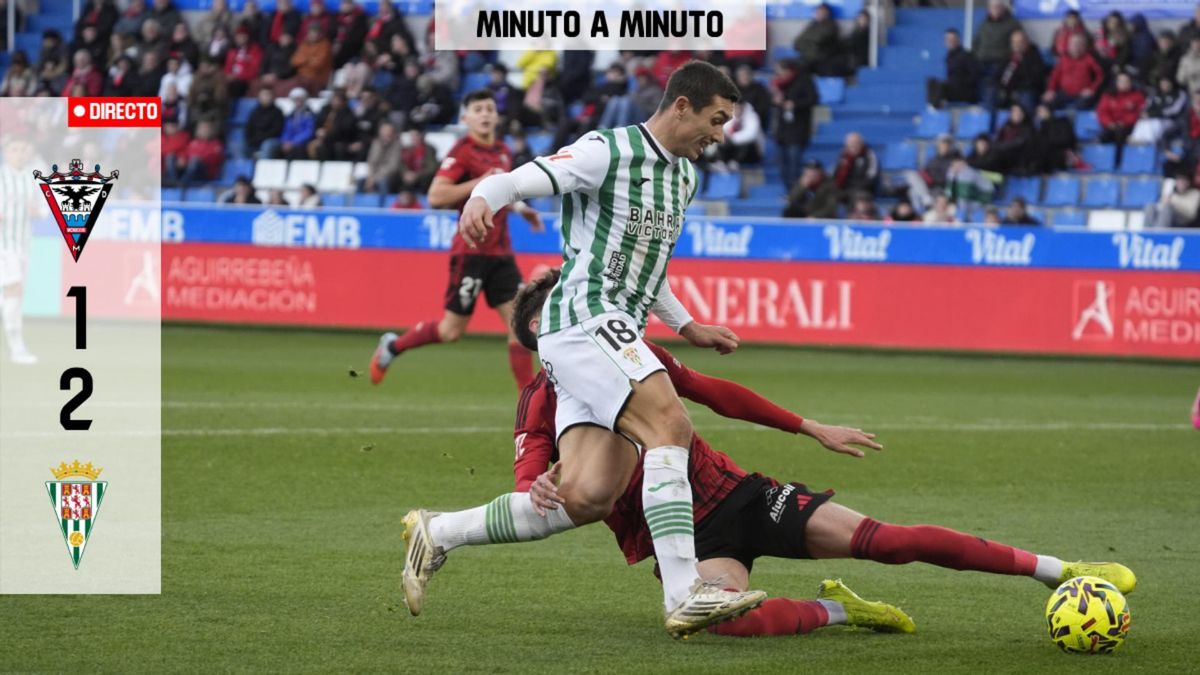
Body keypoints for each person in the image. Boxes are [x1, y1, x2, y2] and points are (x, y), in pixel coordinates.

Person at [401, 269, 1139, 638]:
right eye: (547, 319)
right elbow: (531, 472)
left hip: (739, 497)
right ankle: (841, 612)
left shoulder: (624, 353)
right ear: (538, 340)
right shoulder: (541, 400)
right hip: (683, 545)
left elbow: (717, 392)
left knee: (890, 540)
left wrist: (810, 427)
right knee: (723, 626)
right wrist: (540, 489)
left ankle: (1061, 569)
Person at [417, 61, 767, 639]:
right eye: (716, 119)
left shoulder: (682, 178)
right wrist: (484, 195)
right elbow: (521, 178)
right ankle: (685, 593)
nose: (719, 134)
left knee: (588, 494)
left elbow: (649, 270)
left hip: (614, 330)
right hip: (584, 319)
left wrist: (686, 326)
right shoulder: (607, 150)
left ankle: (441, 531)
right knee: (670, 427)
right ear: (682, 105)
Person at [368, 89, 545, 391]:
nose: (486, 114)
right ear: (465, 118)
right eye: (478, 109)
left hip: (501, 254)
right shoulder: (461, 152)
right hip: (471, 252)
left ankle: (528, 406)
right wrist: (479, 182)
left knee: (521, 327)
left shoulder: (503, 150)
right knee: (451, 331)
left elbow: (499, 191)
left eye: (490, 108)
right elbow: (436, 196)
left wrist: (520, 207)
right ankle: (393, 346)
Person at [0, 139, 40, 364]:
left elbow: (43, 208)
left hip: (24, 244)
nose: (20, 154)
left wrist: (39, 212)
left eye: (23, 149)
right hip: (3, 245)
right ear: (6, 153)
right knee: (13, 290)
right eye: (15, 150)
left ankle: (16, 346)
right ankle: (17, 348)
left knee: (14, 293)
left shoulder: (32, 179)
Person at [771, 59, 817, 191]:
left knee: (794, 164)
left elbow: (813, 99)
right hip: (782, 130)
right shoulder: (777, 84)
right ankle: (788, 191)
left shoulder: (804, 81)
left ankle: (796, 192)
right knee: (782, 164)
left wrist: (795, 104)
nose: (779, 74)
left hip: (798, 129)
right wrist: (775, 101)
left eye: (781, 71)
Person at [972, 0, 1023, 96]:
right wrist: (976, 56)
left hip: (1000, 61)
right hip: (981, 60)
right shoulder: (983, 24)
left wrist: (1007, 56)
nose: (995, 10)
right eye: (992, 7)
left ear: (1003, 8)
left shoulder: (1012, 24)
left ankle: (992, 103)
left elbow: (1019, 43)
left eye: (997, 7)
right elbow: (975, 42)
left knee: (992, 82)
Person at [1043, 33, 1104, 110]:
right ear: (1069, 46)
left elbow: (1100, 75)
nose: (1076, 47)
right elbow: (1055, 76)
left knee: (1084, 104)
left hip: (1082, 95)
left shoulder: (1089, 59)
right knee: (1046, 102)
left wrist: (1092, 89)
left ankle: (1071, 114)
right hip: (1064, 93)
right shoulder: (1063, 59)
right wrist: (1050, 90)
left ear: (1084, 47)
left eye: (1080, 44)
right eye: (1074, 44)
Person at [1097, 71, 1146, 164]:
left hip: (1130, 127)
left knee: (1119, 134)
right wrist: (1109, 123)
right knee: (1103, 136)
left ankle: (1118, 162)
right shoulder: (1108, 95)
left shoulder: (1137, 96)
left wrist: (1125, 122)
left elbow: (1139, 113)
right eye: (1120, 81)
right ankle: (1104, 164)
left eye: (1126, 81)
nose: (1123, 84)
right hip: (1112, 125)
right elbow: (1102, 111)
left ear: (1131, 83)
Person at [989, 30, 1044, 115]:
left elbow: (1035, 78)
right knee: (991, 96)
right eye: (1014, 42)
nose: (1016, 45)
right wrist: (1000, 87)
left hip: (1024, 90)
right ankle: (992, 126)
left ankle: (1027, 126)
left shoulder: (1034, 56)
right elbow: (997, 75)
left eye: (1020, 42)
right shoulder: (1007, 56)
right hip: (1007, 90)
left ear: (1026, 43)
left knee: (1026, 98)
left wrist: (1021, 60)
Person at [906, 133, 962, 211]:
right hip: (929, 186)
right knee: (911, 180)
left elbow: (949, 178)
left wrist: (932, 178)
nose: (944, 146)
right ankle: (922, 209)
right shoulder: (933, 159)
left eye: (946, 144)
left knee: (914, 191)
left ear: (950, 146)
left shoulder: (955, 160)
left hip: (941, 189)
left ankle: (926, 201)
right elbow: (925, 172)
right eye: (942, 143)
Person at [928, 28, 978, 108]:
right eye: (947, 39)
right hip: (953, 88)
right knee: (931, 82)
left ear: (958, 40)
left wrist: (960, 82)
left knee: (941, 86)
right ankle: (934, 108)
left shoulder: (966, 55)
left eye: (952, 39)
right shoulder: (949, 57)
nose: (949, 41)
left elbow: (974, 75)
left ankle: (937, 107)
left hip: (964, 90)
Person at [833, 132, 879, 199]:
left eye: (856, 143)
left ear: (862, 144)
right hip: (844, 188)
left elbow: (871, 178)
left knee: (858, 197)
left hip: (863, 189)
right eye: (850, 144)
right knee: (828, 194)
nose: (853, 146)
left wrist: (853, 188)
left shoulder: (869, 155)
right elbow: (834, 174)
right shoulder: (843, 156)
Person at [245, 86, 284, 159]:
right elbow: (248, 128)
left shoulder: (277, 112)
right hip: (255, 140)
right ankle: (242, 169)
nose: (265, 97)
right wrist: (250, 140)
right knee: (240, 145)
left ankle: (264, 168)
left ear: (273, 97)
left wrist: (260, 138)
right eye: (263, 95)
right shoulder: (254, 112)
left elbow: (276, 130)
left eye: (268, 95)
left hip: (271, 140)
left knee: (267, 145)